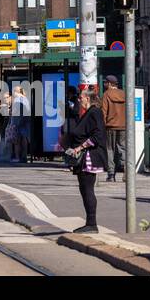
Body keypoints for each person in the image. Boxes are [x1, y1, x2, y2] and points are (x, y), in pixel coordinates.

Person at [62, 88, 108, 234]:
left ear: (87, 99)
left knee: (87, 188)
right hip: (85, 156)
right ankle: (89, 222)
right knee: (84, 189)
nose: (79, 99)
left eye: (81, 97)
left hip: (89, 156)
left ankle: (92, 223)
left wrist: (79, 148)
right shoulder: (89, 113)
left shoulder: (94, 112)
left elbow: (98, 135)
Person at [100, 74, 126, 182]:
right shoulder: (124, 94)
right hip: (124, 126)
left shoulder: (106, 94)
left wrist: (102, 125)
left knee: (110, 149)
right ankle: (126, 172)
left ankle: (111, 174)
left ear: (110, 84)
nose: (105, 84)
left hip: (110, 126)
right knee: (122, 148)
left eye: (106, 82)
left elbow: (103, 112)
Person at [10, 86, 31, 163]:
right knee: (24, 139)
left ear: (16, 92)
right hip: (25, 121)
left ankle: (17, 157)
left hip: (18, 121)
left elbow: (14, 112)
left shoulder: (17, 100)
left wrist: (13, 122)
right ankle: (24, 156)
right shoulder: (25, 99)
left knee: (17, 141)